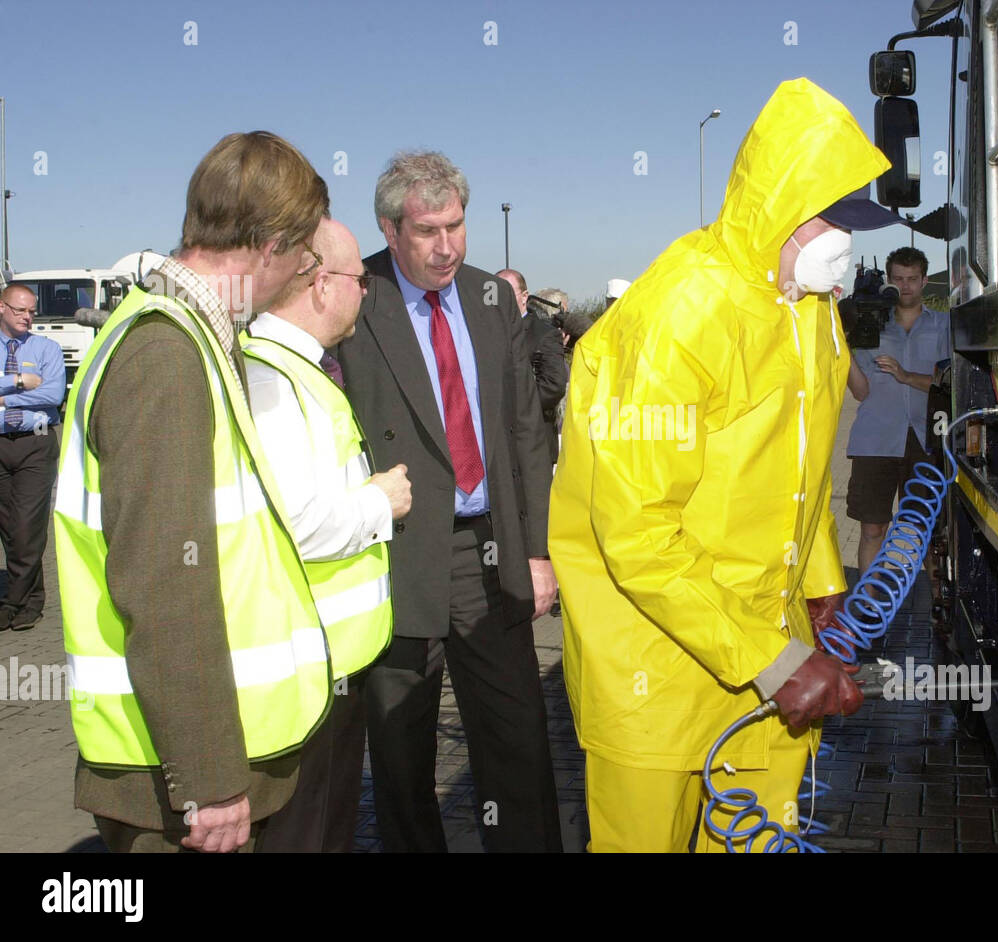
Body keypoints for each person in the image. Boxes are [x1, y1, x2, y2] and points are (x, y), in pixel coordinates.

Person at [549, 78, 888, 852]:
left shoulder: (812, 311)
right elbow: (635, 530)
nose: (844, 240)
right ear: (778, 206)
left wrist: (823, 586)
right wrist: (769, 659)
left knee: (755, 840)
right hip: (657, 667)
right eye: (829, 218)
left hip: (770, 656)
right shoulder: (679, 314)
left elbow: (800, 476)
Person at [54, 131, 332, 853]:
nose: (306, 274)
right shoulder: (166, 354)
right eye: (304, 256)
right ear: (268, 244)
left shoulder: (192, 336)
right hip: (176, 786)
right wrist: (211, 780)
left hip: (180, 766)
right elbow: (163, 584)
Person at [337, 150, 561, 852]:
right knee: (402, 760)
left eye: (456, 226)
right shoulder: (354, 298)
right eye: (428, 230)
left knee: (518, 740)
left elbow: (525, 430)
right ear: (390, 227)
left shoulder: (490, 299)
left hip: (490, 556)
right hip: (395, 556)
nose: (446, 246)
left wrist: (536, 551)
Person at [241, 217, 410, 852]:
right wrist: (379, 501)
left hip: (329, 666)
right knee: (305, 836)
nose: (366, 293)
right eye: (359, 281)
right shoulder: (275, 382)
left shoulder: (299, 369)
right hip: (306, 676)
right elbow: (299, 525)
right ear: (320, 286)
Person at [845, 246, 951, 578]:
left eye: (912, 280)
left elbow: (950, 384)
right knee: (872, 529)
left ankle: (935, 610)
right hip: (875, 440)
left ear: (925, 281)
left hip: (927, 440)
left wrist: (906, 376)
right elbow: (861, 392)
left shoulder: (945, 325)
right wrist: (842, 347)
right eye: (898, 279)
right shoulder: (870, 326)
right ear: (888, 281)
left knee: (927, 531)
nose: (905, 287)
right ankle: (868, 611)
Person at [0, 284, 65, 631]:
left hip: (35, 445)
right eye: (20, 310)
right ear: (1, 308)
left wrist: (5, 398)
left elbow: (53, 392)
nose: (27, 317)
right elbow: (36, 386)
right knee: (9, 530)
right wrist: (21, 380)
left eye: (32, 311)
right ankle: (31, 599)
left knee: (26, 527)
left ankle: (13, 603)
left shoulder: (46, 348)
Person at [498, 268, 568, 466]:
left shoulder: (544, 334)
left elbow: (553, 386)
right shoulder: (483, 332)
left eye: (507, 292)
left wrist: (512, 406)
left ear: (524, 297)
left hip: (533, 445)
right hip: (498, 448)